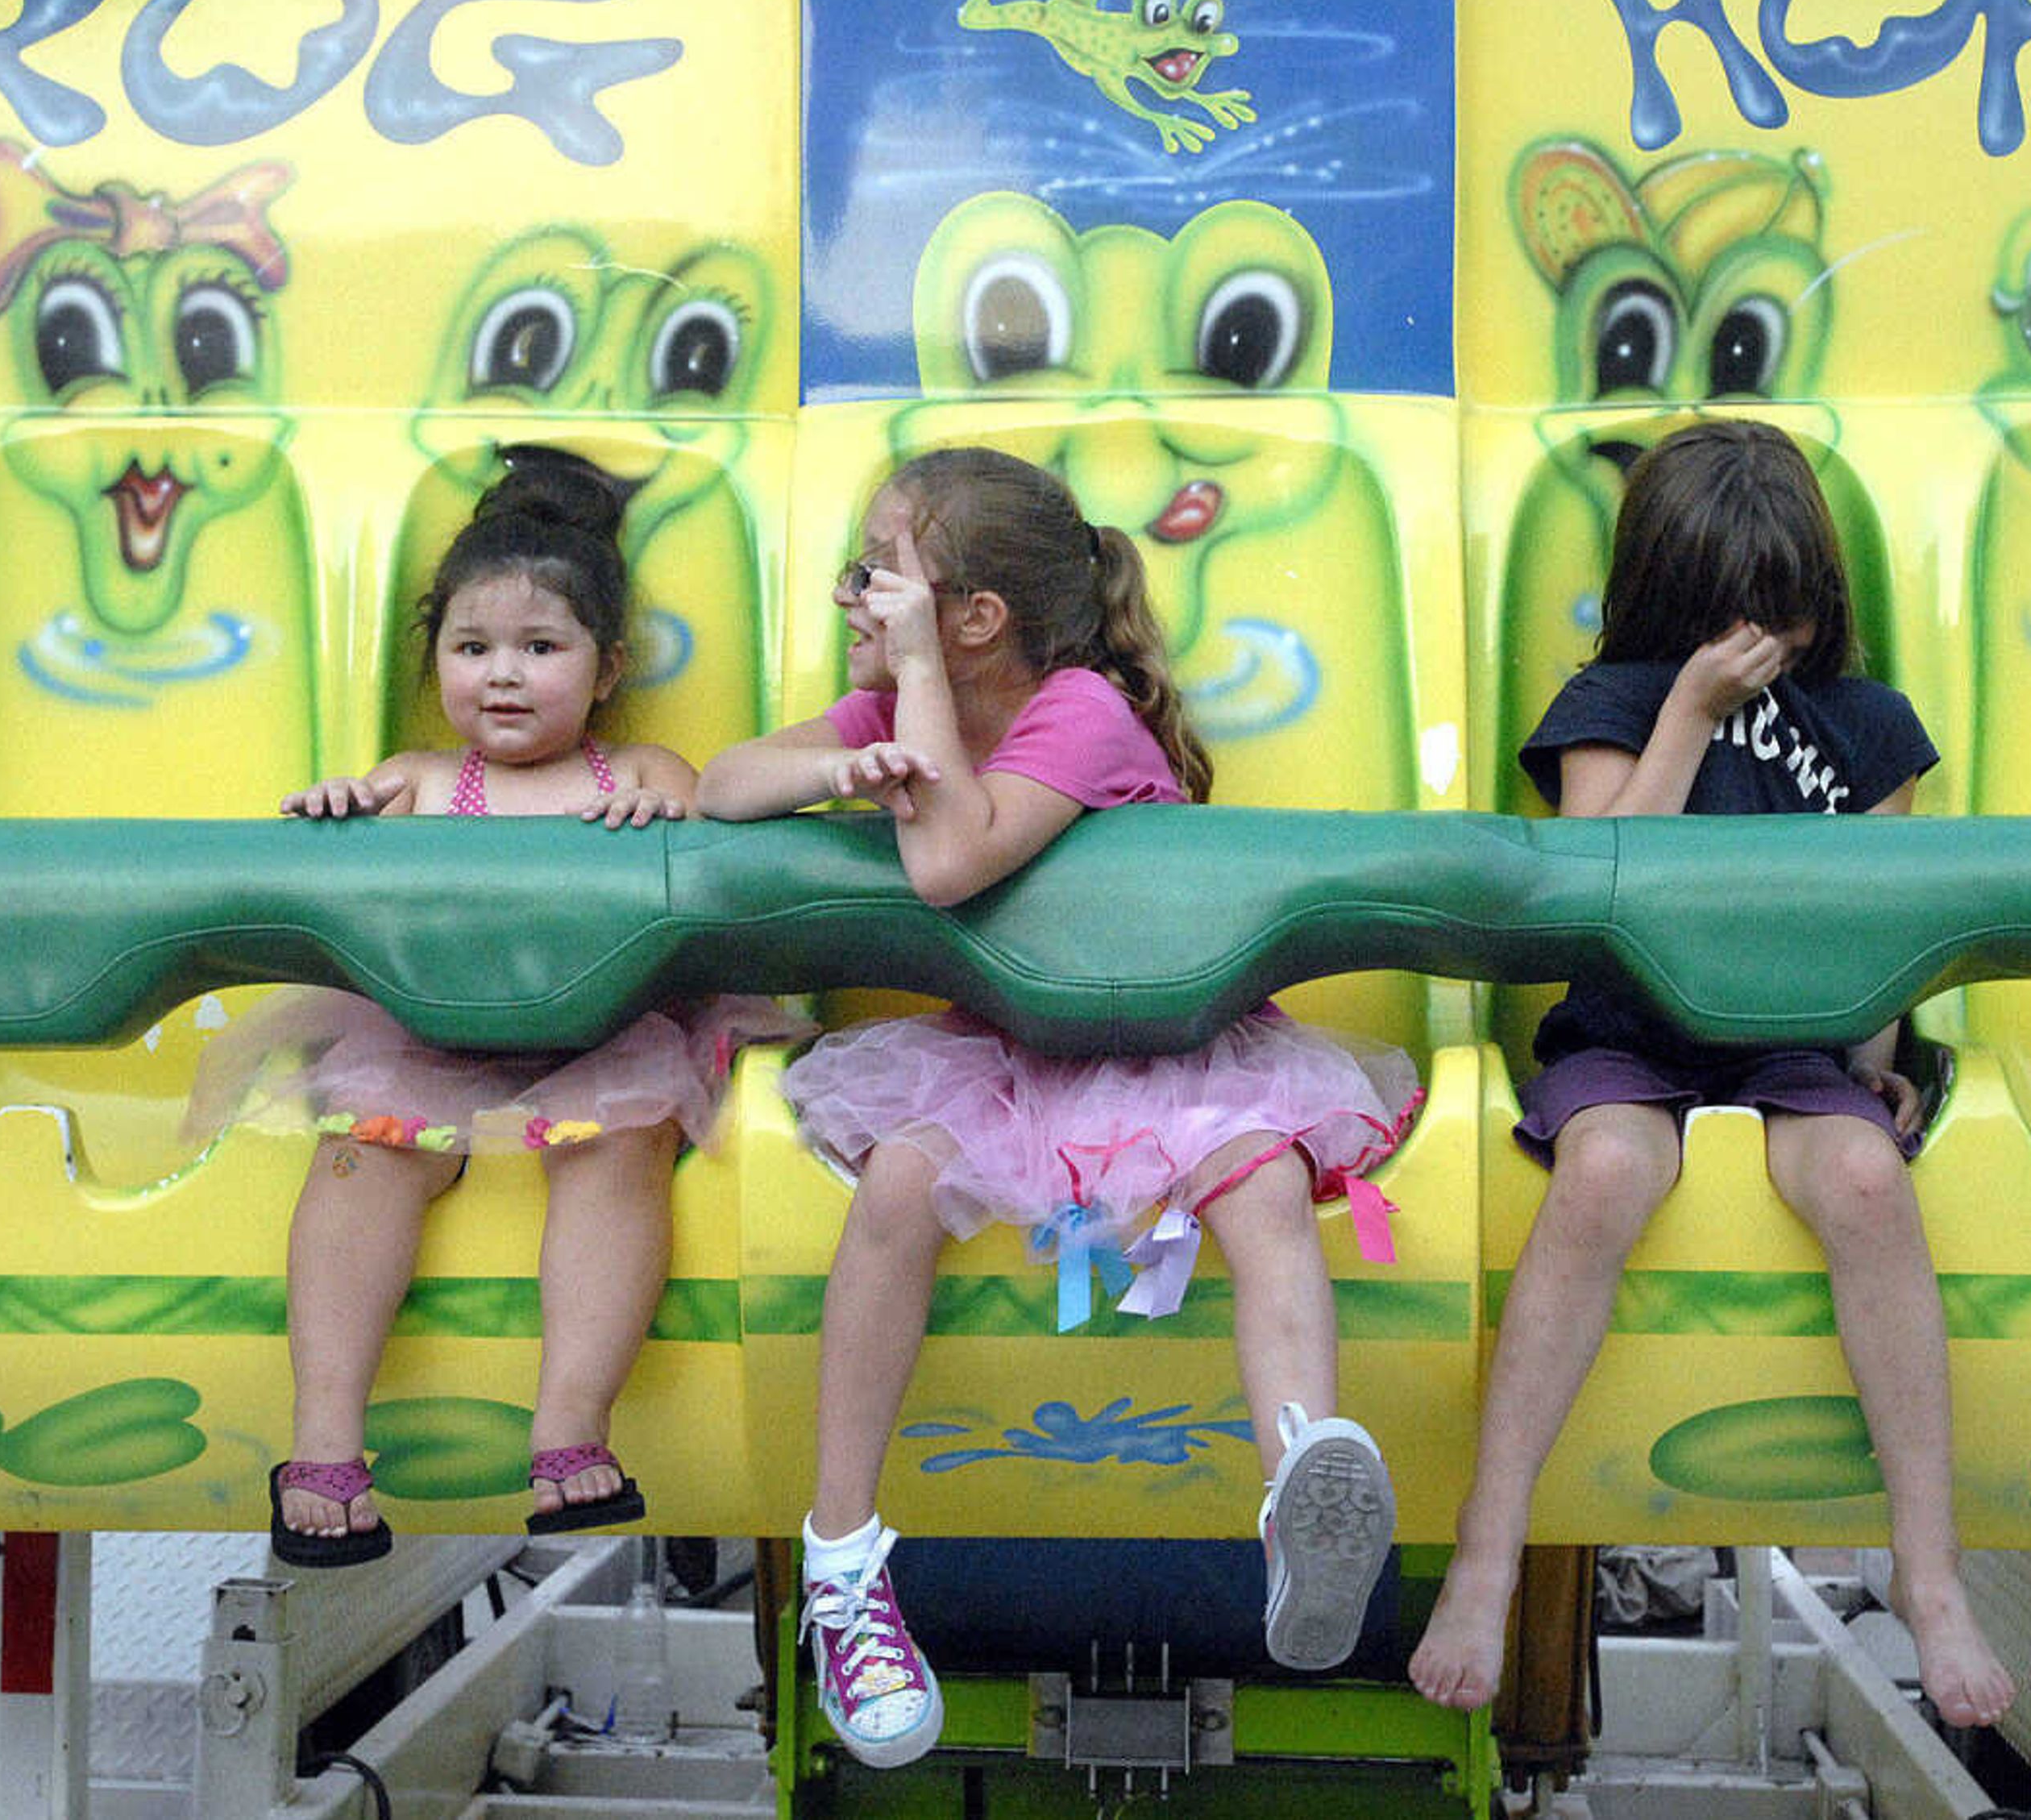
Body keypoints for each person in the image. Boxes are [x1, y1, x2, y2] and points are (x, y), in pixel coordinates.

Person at [697, 445, 1419, 1768]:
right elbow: (721, 783)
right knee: (899, 1189)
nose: (851, 594)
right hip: (1014, 1058)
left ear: (974, 620)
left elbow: (952, 864)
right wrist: (839, 767)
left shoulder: (1080, 708)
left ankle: (1304, 1487)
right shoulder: (895, 709)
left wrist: (909, 709)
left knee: (1261, 1182)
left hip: (1170, 1046)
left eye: (881, 574)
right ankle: (843, 1561)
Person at [1406, 418, 2014, 1727]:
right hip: (1632, 1032)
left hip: (1794, 1037)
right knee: (1608, 1169)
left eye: (1781, 619)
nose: (1761, 650)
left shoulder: (1870, 730)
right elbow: (1591, 893)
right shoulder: (1615, 707)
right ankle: (1488, 1541)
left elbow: (1877, 920)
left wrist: (1878, 1060)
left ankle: (1931, 1569)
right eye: (1726, 621)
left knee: (1864, 1180)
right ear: (1665, 606)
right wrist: (1687, 707)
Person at [186, 447, 808, 1566]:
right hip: (435, 1032)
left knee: (616, 1143)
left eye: (540, 648)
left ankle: (570, 1429)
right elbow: (353, 874)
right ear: (437, 661)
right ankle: (323, 1444)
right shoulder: (418, 780)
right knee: (361, 1147)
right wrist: (340, 814)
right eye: (473, 649)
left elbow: (715, 869)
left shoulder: (645, 771)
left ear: (606, 667)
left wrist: (667, 830)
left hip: (602, 1033)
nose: (504, 675)